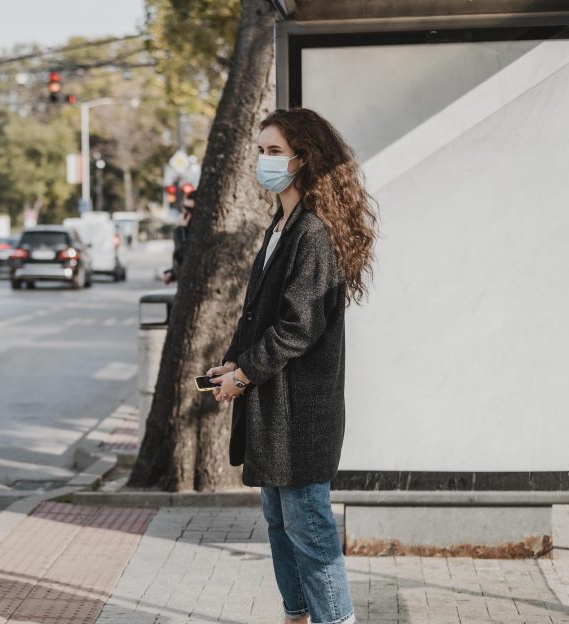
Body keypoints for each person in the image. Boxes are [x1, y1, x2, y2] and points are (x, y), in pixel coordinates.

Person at [205, 108, 377, 624]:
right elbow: (258, 313)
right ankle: (296, 614)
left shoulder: (314, 233)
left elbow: (298, 326)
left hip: (301, 413)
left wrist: (244, 373)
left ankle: (335, 619)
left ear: (306, 159)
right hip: (274, 408)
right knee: (280, 521)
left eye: (274, 151)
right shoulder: (281, 224)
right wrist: (231, 363)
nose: (263, 160)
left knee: (309, 525)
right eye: (260, 151)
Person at [162, 197, 193, 285]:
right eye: (183, 207)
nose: (184, 212)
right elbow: (181, 260)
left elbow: (183, 254)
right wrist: (172, 273)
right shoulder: (183, 230)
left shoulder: (185, 231)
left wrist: (181, 230)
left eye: (189, 209)